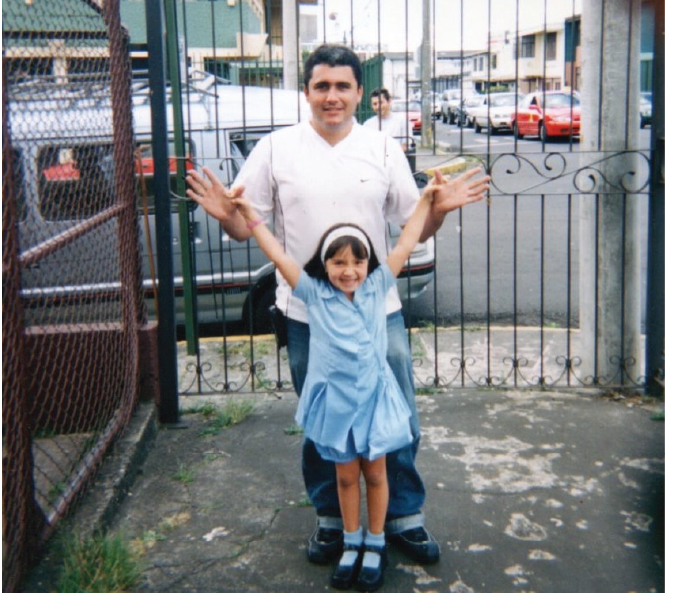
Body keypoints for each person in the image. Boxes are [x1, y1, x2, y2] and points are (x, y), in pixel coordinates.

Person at [186, 44, 490, 569]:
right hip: (308, 316)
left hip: (378, 313)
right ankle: (333, 519)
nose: (332, 96)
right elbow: (246, 221)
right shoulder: (277, 149)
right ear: (306, 92)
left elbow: (411, 225)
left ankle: (403, 516)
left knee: (396, 416)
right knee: (323, 420)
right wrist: (223, 217)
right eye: (322, 86)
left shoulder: (382, 148)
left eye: (343, 86)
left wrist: (437, 209)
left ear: (357, 93)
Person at [233, 185, 438, 591]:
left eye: (357, 261)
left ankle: (376, 543)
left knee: (377, 476)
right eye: (338, 261)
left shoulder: (379, 286)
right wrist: (252, 217)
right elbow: (278, 255)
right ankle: (351, 540)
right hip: (338, 407)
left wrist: (427, 200)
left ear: (368, 264)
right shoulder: (314, 295)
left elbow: (407, 241)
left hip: (374, 403)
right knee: (346, 478)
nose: (348, 270)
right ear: (324, 265)